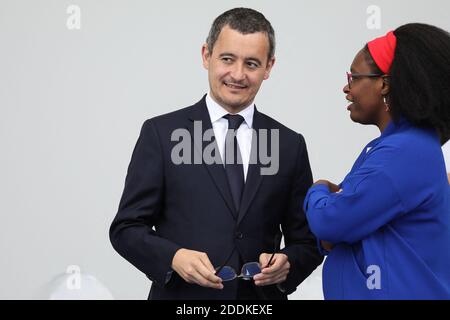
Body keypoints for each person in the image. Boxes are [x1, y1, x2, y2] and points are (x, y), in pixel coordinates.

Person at [110, 7, 322, 300]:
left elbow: (307, 242)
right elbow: (126, 228)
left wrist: (288, 263)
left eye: (251, 63)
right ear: (206, 55)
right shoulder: (161, 134)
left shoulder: (289, 145)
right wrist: (174, 257)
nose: (237, 74)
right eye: (227, 59)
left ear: (269, 67)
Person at [304, 23, 450, 299]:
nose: (346, 89)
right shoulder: (393, 147)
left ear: (384, 83)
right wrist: (337, 226)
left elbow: (330, 221)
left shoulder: (405, 152)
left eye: (353, 78)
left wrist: (318, 189)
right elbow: (338, 232)